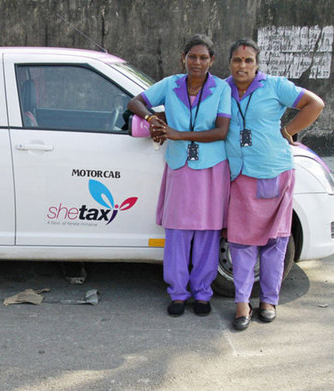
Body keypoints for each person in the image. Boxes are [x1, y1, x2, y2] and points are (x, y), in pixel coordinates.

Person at [128, 34, 231, 317]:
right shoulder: (171, 84)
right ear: (183, 58)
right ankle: (177, 293)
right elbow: (135, 101)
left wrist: (177, 133)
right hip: (179, 167)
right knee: (177, 232)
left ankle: (202, 293)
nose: (197, 62)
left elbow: (221, 131)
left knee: (207, 232)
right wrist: (152, 118)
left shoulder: (221, 89)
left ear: (211, 61)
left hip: (211, 168)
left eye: (203, 57)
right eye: (192, 56)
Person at [225, 38, 324, 331]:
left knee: (274, 241)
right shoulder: (221, 89)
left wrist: (289, 129)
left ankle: (269, 300)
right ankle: (242, 303)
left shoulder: (275, 86)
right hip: (240, 175)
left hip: (273, 173)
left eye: (248, 61)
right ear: (229, 63)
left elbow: (314, 104)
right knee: (241, 242)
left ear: (257, 64)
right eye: (237, 60)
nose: (242, 66)